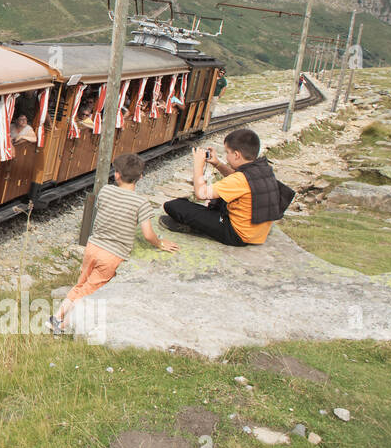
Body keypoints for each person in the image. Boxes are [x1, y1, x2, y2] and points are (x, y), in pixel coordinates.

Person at [51, 153, 178, 333]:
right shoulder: (141, 203)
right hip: (113, 254)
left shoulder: (105, 191)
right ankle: (63, 326)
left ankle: (56, 317)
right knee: (90, 290)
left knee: (81, 283)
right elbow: (148, 234)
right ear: (140, 177)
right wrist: (160, 243)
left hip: (93, 246)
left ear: (116, 175)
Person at [160, 128, 293, 246]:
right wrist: (217, 164)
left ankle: (196, 227)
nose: (226, 157)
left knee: (175, 206)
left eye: (227, 152)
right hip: (257, 233)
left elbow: (201, 194)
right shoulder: (263, 169)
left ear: (236, 155)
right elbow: (239, 178)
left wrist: (198, 165)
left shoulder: (239, 180)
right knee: (217, 199)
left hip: (237, 235)